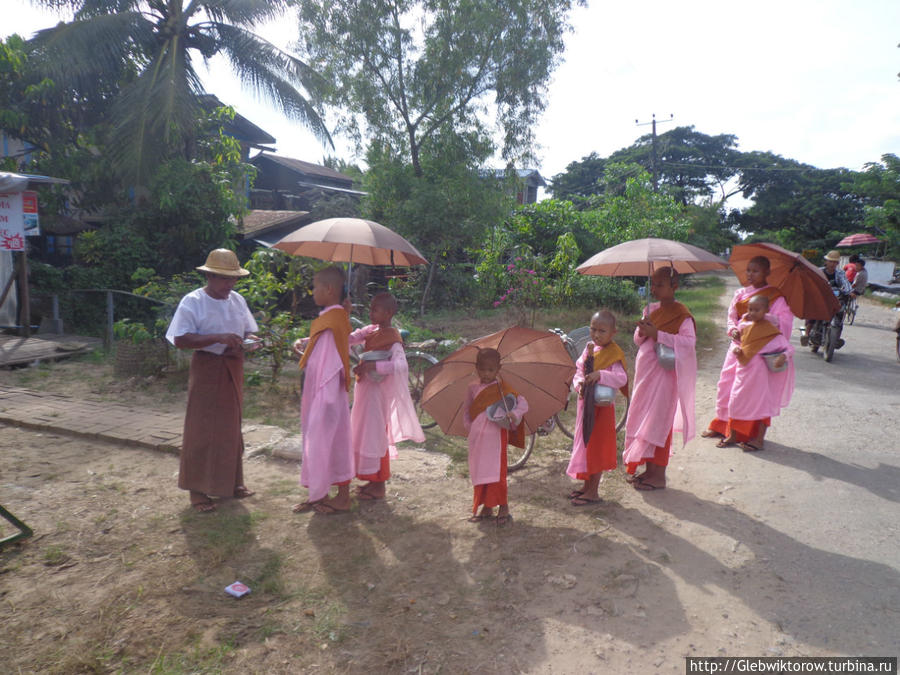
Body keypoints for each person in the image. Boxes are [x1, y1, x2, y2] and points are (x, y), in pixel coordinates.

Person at [165, 249, 259, 513]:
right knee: (202, 428)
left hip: (233, 365)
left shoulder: (237, 300)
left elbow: (249, 329)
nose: (229, 285)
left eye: (233, 280)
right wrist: (217, 338)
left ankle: (232, 482)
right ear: (209, 276)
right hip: (207, 368)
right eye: (224, 279)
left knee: (230, 427)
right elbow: (181, 339)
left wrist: (251, 341)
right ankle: (197, 490)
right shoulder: (193, 302)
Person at [702, 255, 793, 444]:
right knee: (726, 385)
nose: (750, 274)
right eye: (748, 270)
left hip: (760, 350)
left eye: (756, 270)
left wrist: (766, 318)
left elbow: (784, 323)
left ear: (767, 272)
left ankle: (750, 434)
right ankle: (722, 426)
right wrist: (733, 329)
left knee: (757, 393)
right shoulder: (740, 293)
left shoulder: (776, 297)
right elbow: (731, 316)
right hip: (738, 346)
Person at [623, 267, 697, 491]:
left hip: (664, 378)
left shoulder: (682, 314)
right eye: (653, 284)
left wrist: (658, 335)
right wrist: (643, 330)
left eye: (660, 285)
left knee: (658, 422)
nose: (654, 289)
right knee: (642, 419)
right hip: (645, 376)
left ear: (674, 287)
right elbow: (638, 341)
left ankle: (659, 476)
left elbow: (688, 343)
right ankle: (648, 471)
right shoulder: (650, 309)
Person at [348, 292, 425, 500]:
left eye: (375, 309)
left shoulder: (393, 338)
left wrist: (374, 365)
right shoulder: (371, 330)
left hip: (377, 395)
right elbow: (352, 338)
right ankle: (371, 480)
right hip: (365, 391)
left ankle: (379, 485)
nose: (370, 312)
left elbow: (401, 366)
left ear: (388, 313)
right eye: (370, 308)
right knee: (364, 434)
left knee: (375, 436)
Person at [292, 266, 354, 515]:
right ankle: (318, 493)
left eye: (315, 286)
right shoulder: (333, 316)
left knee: (329, 442)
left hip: (326, 395)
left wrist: (325, 404)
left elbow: (332, 363)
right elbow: (324, 347)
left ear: (329, 290)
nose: (312, 291)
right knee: (320, 442)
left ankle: (340, 497)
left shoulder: (334, 318)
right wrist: (306, 344)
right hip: (318, 392)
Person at [713, 294, 794, 452]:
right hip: (743, 373)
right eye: (750, 309)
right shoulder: (744, 326)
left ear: (767, 311)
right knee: (734, 403)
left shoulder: (771, 331)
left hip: (761, 378)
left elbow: (789, 349)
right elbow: (738, 344)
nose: (752, 313)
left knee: (762, 407)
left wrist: (783, 357)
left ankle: (758, 440)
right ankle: (733, 435)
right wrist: (736, 349)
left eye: (757, 310)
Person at [565, 310, 627, 506]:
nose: (597, 334)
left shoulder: (613, 353)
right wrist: (580, 383)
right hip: (586, 406)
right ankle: (585, 487)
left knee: (596, 448)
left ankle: (593, 492)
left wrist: (601, 375)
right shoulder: (589, 349)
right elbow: (578, 370)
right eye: (593, 329)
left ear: (613, 333)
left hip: (602, 409)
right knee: (586, 445)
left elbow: (622, 378)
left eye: (602, 331)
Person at [463, 348, 528, 527]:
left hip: (495, 437)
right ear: (476, 368)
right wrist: (471, 428)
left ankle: (503, 507)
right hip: (477, 438)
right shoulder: (472, 387)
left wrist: (513, 414)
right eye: (482, 369)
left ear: (498, 369)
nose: (486, 373)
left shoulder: (502, 388)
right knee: (479, 470)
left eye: (491, 370)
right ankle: (486, 507)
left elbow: (523, 403)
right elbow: (467, 410)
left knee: (496, 471)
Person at [802, 250, 853, 350]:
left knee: (840, 315)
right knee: (812, 313)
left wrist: (850, 291)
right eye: (831, 261)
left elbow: (845, 283)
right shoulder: (819, 271)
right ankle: (807, 334)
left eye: (835, 262)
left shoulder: (840, 273)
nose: (833, 264)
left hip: (835, 299)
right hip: (820, 298)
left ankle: (836, 337)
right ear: (826, 262)